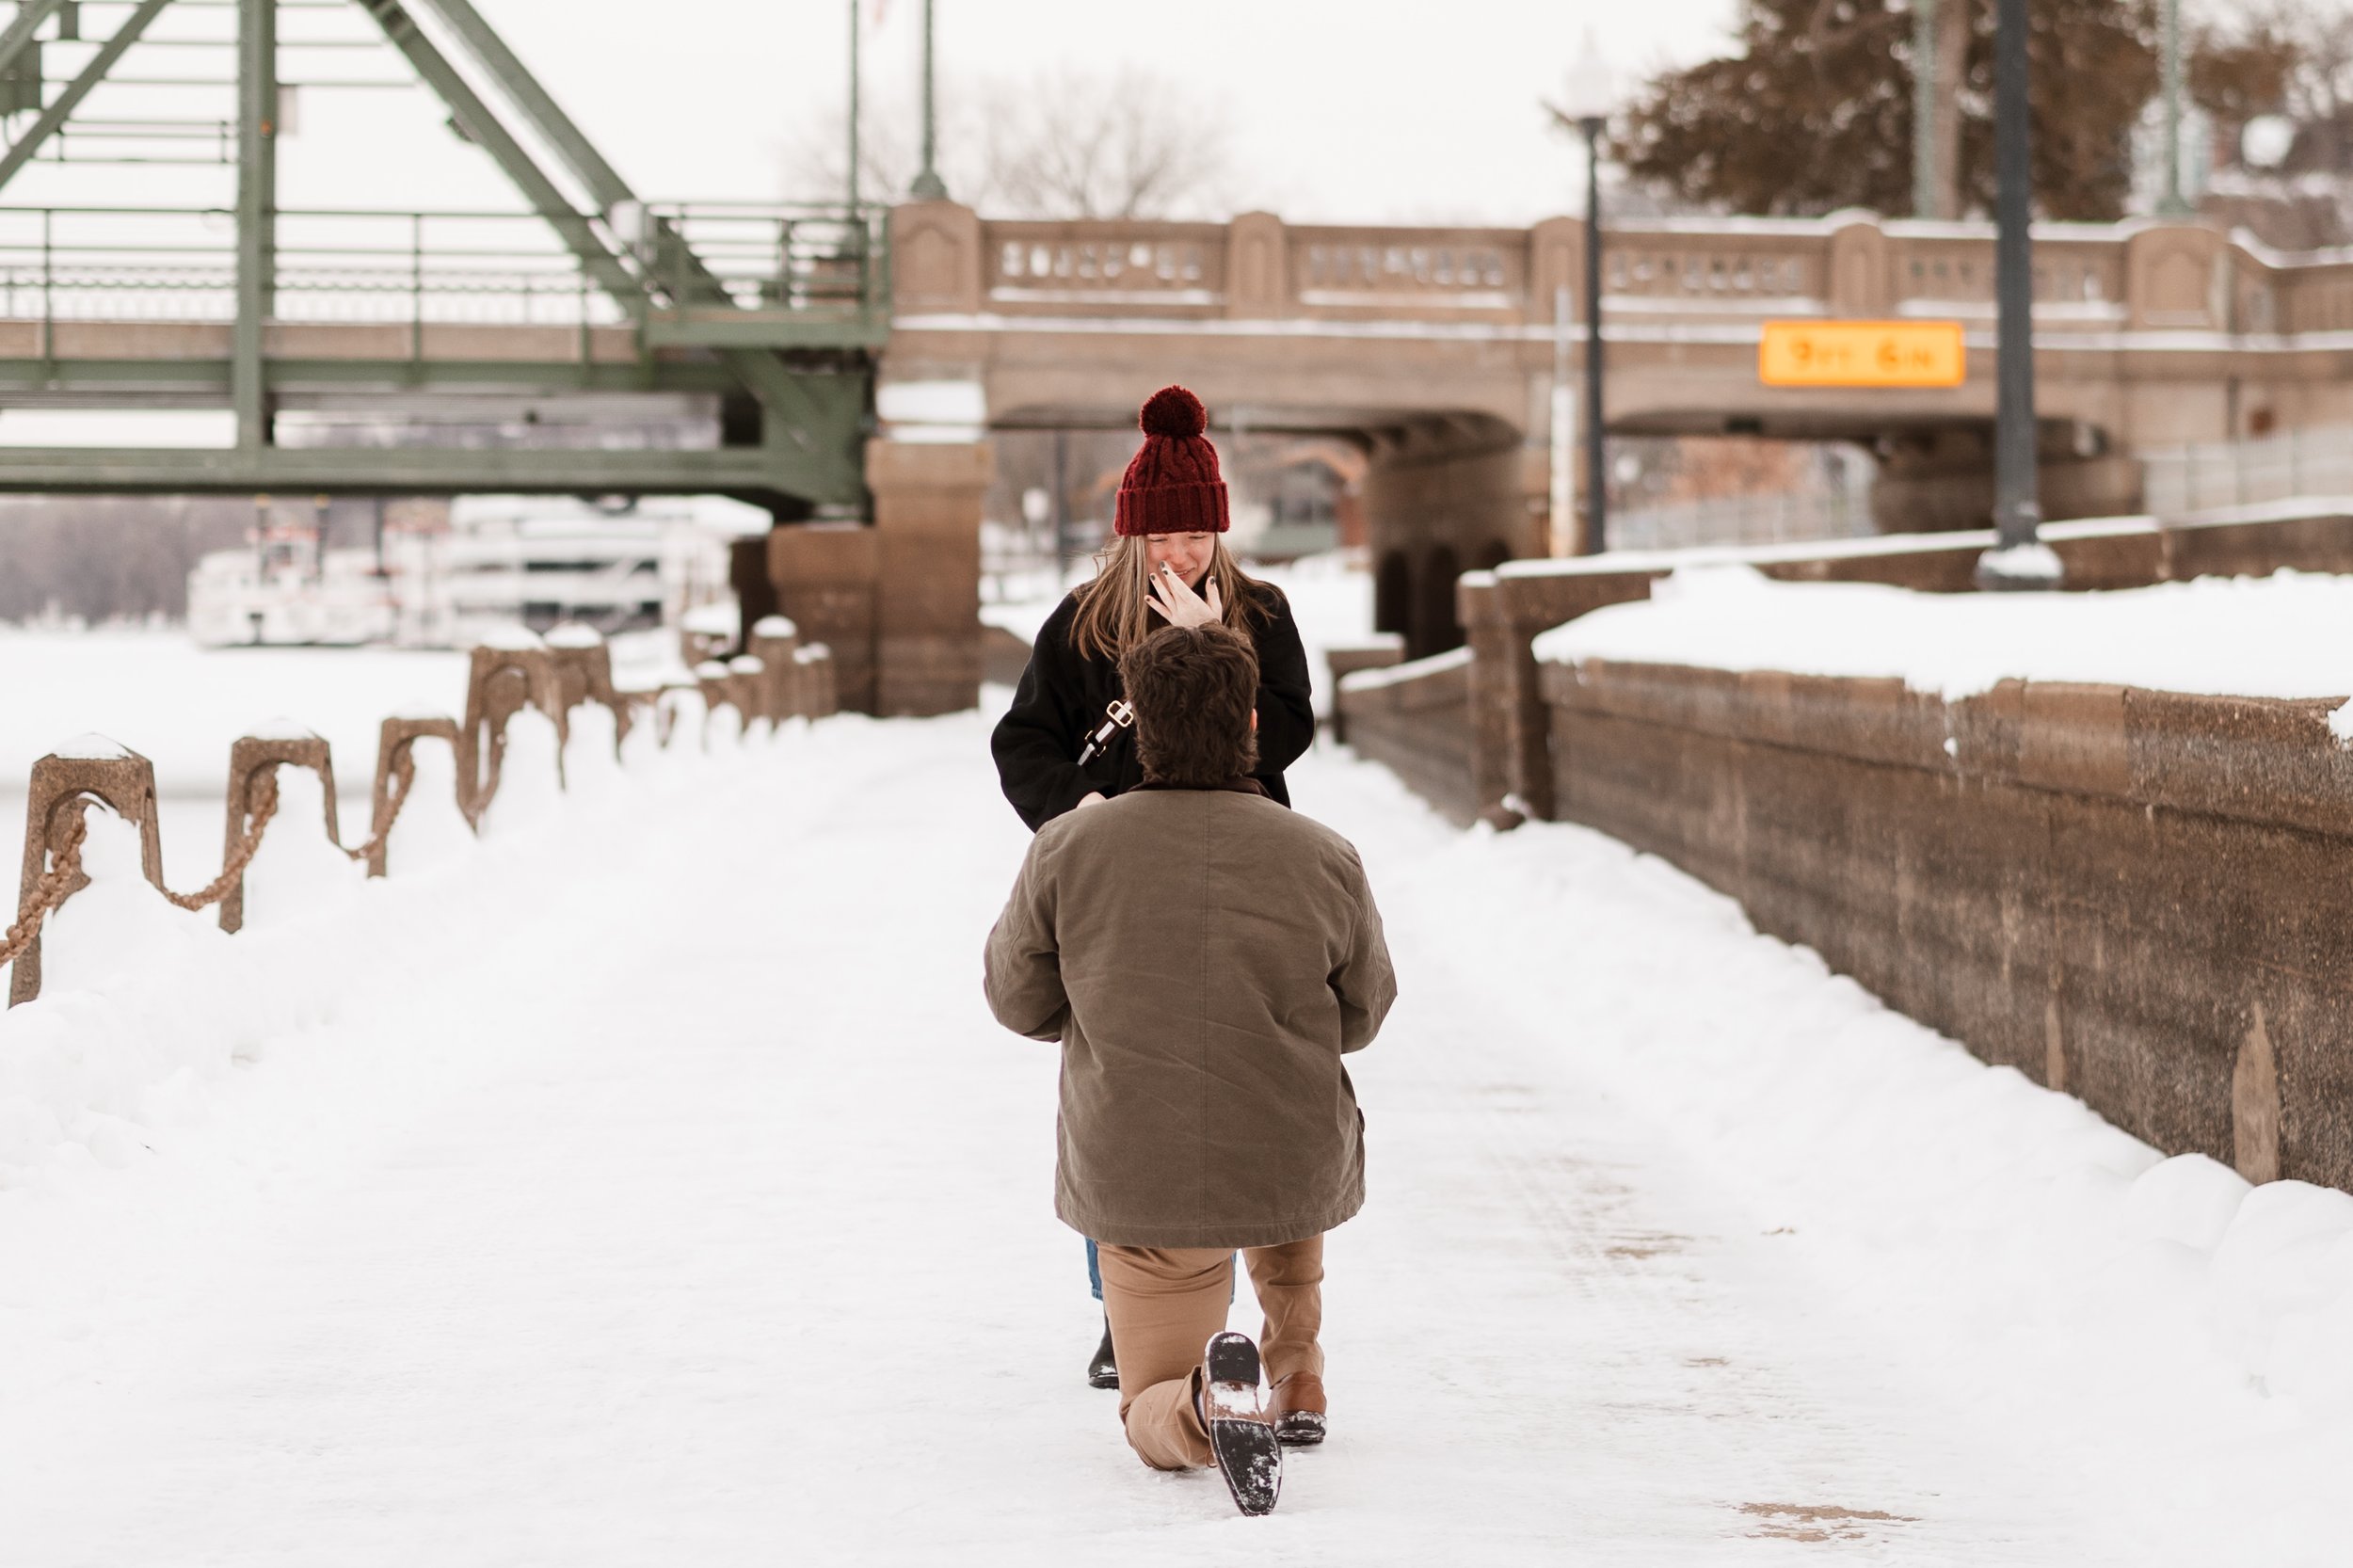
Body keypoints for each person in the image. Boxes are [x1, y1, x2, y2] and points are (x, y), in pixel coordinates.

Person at [984, 621, 1396, 1516]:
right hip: (1289, 1156)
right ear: (1251, 719)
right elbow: (1362, 1015)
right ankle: (1299, 1373)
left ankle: (1207, 1402)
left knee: (1145, 1407)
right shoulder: (1322, 854)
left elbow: (1017, 1002)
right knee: (1279, 1150)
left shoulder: (1068, 849)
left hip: (1143, 1174)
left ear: (1142, 728)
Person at [990, 384, 1317, 1390]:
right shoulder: (1084, 622)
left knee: (1236, 1075)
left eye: (1196, 533)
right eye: (1164, 536)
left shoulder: (1260, 611)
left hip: (1230, 855)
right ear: (1131, 538)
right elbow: (1022, 740)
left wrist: (1218, 646)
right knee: (1120, 1090)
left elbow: (1292, 728)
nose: (1180, 552)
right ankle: (1121, 1308)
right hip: (1119, 877)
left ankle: (1239, 1309)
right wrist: (1074, 815)